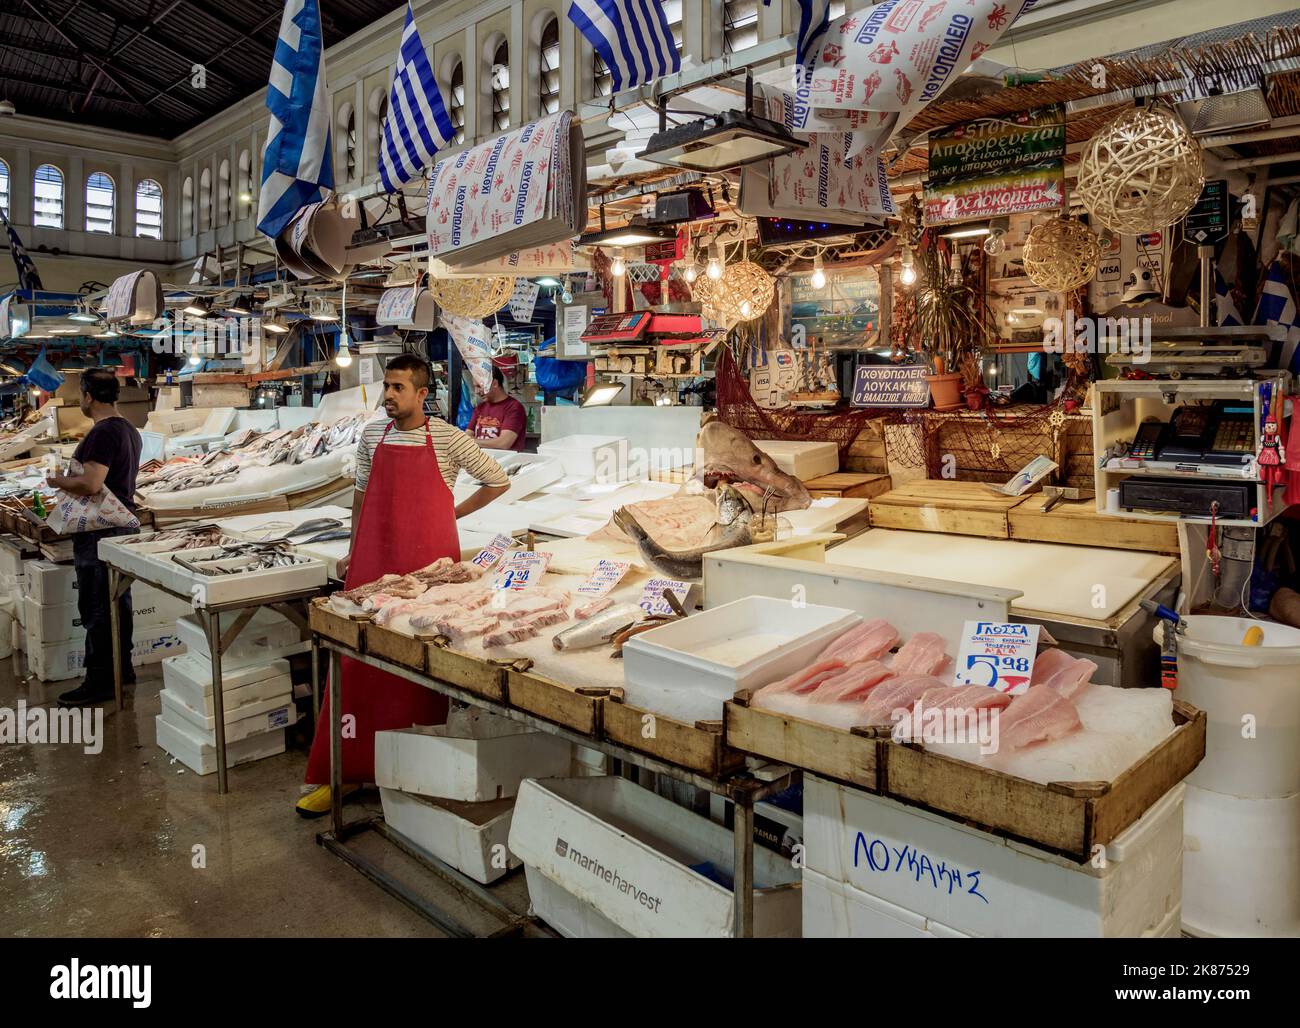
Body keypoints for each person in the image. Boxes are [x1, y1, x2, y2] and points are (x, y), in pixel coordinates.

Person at [297, 354, 509, 817]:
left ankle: (417, 774)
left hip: (432, 571)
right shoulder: (373, 436)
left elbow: (497, 480)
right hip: (375, 562)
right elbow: (360, 495)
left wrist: (449, 514)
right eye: (386, 387)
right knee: (357, 668)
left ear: (421, 394)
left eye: (398, 388)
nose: (389, 396)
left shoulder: (449, 439)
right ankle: (340, 774)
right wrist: (355, 549)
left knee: (424, 671)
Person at [46, 368, 142, 708]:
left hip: (102, 531)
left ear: (88, 396)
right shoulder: (128, 428)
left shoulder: (103, 432)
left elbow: (91, 483)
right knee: (118, 604)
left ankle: (100, 681)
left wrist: (58, 481)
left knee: (98, 605)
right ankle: (122, 669)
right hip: (122, 527)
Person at [468, 365, 527, 451]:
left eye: (479, 386)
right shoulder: (480, 408)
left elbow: (503, 443)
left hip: (504, 462)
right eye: (475, 386)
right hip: (481, 461)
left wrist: (472, 442)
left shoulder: (514, 408)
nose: (476, 391)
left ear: (495, 383)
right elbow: (467, 435)